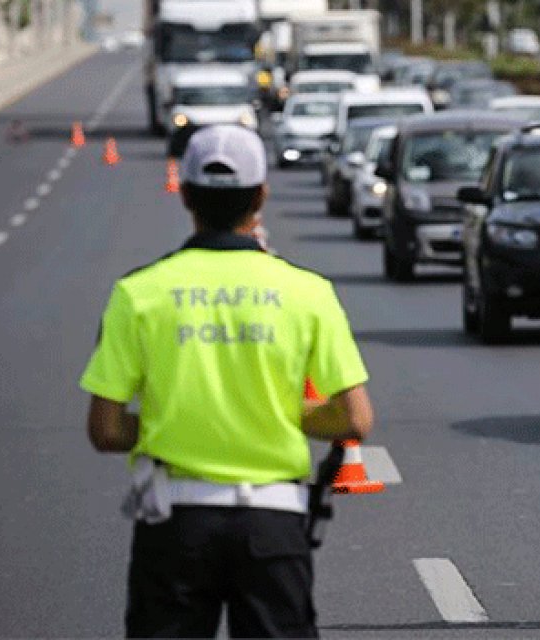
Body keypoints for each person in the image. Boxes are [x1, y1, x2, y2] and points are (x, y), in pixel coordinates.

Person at [79, 124, 374, 638]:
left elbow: (105, 429)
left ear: (186, 195)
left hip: (174, 525)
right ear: (261, 195)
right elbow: (355, 419)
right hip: (273, 525)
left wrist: (174, 423)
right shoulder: (308, 293)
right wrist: (281, 416)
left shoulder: (138, 294)